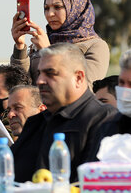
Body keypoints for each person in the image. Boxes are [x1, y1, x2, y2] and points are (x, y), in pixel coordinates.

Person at [12, 43, 115, 183]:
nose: (40, 81)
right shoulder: (35, 123)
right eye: (40, 73)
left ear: (78, 78)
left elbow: (94, 183)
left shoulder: (105, 120)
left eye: (50, 73)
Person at [10, 0, 109, 87]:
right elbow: (20, 87)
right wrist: (20, 47)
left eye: (57, 7)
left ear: (74, 9)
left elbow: (84, 86)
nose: (50, 14)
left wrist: (49, 51)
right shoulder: (41, 42)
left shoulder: (96, 46)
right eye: (46, 8)